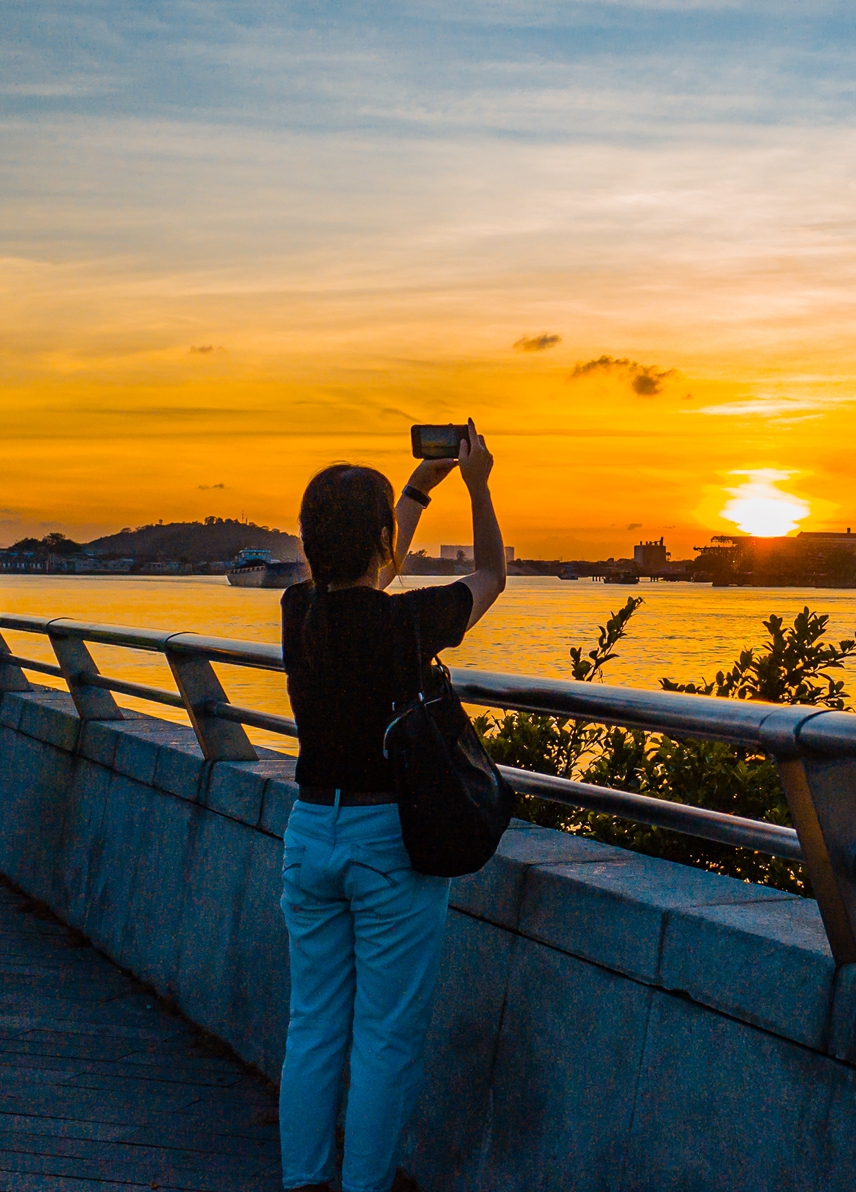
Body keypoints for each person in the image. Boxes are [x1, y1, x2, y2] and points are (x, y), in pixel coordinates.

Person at [277, 421, 505, 1192]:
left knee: (312, 1027)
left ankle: (303, 1181)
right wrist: (476, 486)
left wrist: (411, 495)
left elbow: (363, 570)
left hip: (310, 831)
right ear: (380, 540)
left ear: (309, 543)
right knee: (384, 1038)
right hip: (386, 844)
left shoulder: (295, 609)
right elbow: (492, 577)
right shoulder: (405, 624)